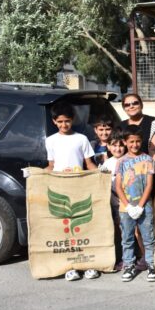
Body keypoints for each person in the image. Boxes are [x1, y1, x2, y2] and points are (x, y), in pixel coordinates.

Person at [43, 102, 98, 281]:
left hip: (80, 186)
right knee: (65, 229)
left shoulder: (81, 139)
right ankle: (70, 267)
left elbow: (89, 164)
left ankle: (89, 265)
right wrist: (36, 174)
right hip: (60, 189)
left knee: (84, 225)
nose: (64, 125)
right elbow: (51, 166)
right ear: (54, 121)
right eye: (60, 122)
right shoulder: (50, 141)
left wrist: (101, 175)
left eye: (67, 121)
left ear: (72, 120)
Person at [114, 125, 155, 283]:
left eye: (138, 141)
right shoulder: (121, 162)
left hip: (144, 206)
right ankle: (129, 265)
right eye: (131, 141)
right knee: (127, 237)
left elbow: (149, 185)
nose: (135, 145)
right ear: (125, 142)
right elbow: (118, 186)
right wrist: (128, 205)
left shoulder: (147, 159)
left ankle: (152, 265)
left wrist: (140, 205)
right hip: (126, 208)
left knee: (148, 237)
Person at [99, 129, 126, 271]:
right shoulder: (107, 164)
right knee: (117, 230)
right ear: (108, 146)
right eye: (114, 145)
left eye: (121, 145)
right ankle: (119, 258)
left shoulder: (128, 159)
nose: (117, 148)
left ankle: (131, 258)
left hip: (127, 200)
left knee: (129, 230)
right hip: (112, 201)